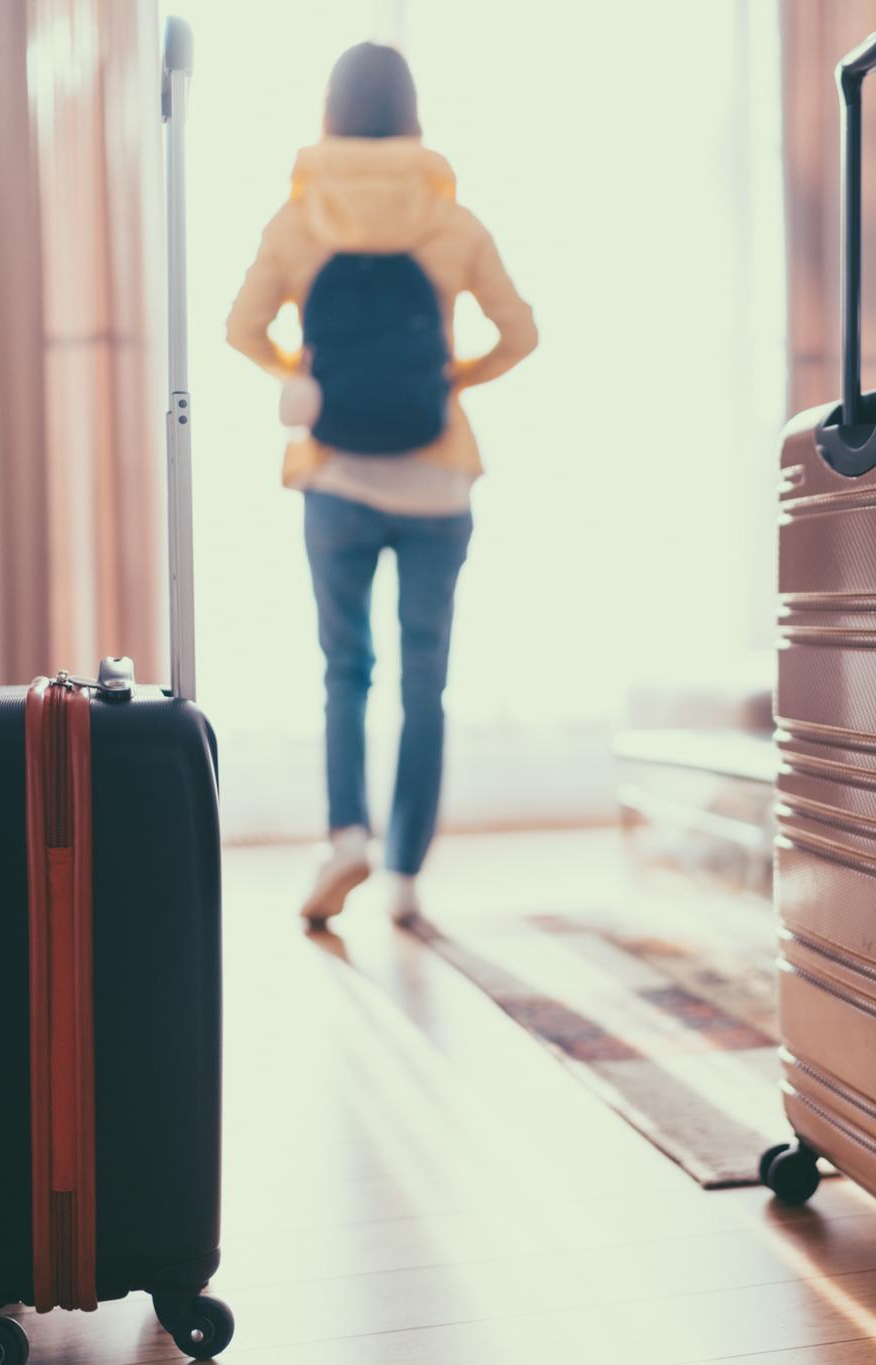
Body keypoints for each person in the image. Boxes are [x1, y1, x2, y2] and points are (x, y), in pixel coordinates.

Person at [226, 41, 537, 930]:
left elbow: (241, 325)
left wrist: (304, 370)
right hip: (437, 477)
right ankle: (405, 873)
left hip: (335, 477)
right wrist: (452, 379)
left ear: (329, 113)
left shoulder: (296, 218)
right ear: (412, 115)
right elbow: (522, 334)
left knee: (344, 671)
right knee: (424, 680)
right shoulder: (452, 218)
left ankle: (346, 835)